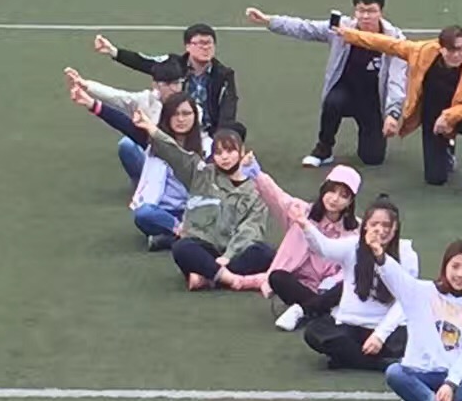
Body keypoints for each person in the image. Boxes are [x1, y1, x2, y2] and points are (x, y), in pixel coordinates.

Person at [246, 0, 407, 168]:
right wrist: (269, 20)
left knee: (372, 158)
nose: (365, 16)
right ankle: (324, 148)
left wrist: (393, 113)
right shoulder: (340, 28)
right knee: (332, 102)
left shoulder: (395, 41)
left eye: (371, 11)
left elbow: (397, 79)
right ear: (355, 12)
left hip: (372, 100)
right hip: (345, 92)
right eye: (361, 10)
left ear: (381, 12)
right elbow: (305, 28)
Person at [336, 23, 462, 194]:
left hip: (460, 115)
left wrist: (449, 116)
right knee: (435, 179)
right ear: (441, 48)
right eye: (451, 50)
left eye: (461, 49)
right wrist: (349, 35)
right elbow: (387, 44)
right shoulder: (422, 52)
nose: (456, 55)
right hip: (431, 117)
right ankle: (447, 149)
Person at [130, 109, 273, 290]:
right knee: (182, 247)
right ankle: (229, 278)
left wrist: (228, 256)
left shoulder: (255, 190)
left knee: (264, 253)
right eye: (219, 152)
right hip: (203, 247)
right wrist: (151, 128)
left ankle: (207, 278)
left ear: (242, 152)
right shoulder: (200, 174)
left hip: (233, 253)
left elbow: (251, 229)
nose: (225, 157)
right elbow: (175, 153)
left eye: (230, 151)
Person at [373, 240, 462, 401]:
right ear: (445, 267)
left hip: (457, 380)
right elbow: (397, 278)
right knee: (395, 373)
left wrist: (451, 383)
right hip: (421, 373)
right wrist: (379, 255)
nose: (460, 274)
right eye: (455, 266)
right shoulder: (422, 292)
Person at [70, 85, 204, 251]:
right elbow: (123, 123)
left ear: (195, 116)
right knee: (143, 213)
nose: (181, 119)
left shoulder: (207, 146)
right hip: (161, 213)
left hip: (195, 211)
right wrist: (91, 104)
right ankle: (185, 234)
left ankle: (169, 239)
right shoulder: (154, 143)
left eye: (186, 113)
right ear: (167, 117)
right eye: (175, 114)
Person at [299, 196, 419, 370]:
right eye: (374, 224)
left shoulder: (407, 253)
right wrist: (304, 225)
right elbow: (324, 248)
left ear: (395, 228)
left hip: (390, 330)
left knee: (417, 336)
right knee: (315, 332)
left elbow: (405, 301)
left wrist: (380, 336)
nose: (380, 230)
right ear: (365, 226)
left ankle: (347, 358)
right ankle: (378, 364)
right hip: (351, 325)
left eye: (386, 225)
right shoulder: (353, 246)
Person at [246, 156, 361, 332]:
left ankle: (304, 310)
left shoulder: (356, 230)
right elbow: (277, 196)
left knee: (351, 283)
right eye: (331, 191)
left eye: (343, 195)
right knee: (277, 277)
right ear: (323, 190)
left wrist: (331, 283)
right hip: (300, 285)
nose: (335, 199)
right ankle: (322, 311)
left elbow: (354, 268)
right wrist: (256, 172)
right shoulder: (302, 211)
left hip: (329, 288)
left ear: (350, 202)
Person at [95, 24, 237, 136]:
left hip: (205, 132)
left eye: (209, 43)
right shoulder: (173, 63)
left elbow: (228, 108)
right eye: (200, 43)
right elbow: (145, 62)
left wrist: (220, 137)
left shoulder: (224, 74)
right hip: (173, 127)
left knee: (235, 132)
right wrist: (114, 52)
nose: (205, 48)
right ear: (188, 46)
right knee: (128, 145)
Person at [65, 54, 185, 182]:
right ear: (155, 85)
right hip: (154, 157)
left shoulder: (192, 109)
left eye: (177, 83)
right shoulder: (146, 100)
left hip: (181, 166)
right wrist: (86, 86)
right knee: (127, 144)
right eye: (167, 84)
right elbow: (116, 96)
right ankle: (141, 183)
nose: (174, 89)